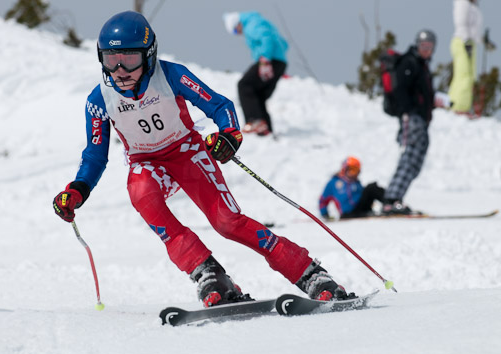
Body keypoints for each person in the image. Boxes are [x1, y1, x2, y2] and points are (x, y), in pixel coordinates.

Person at [53, 11, 355, 308]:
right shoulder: (99, 100)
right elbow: (95, 155)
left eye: (130, 59)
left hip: (186, 153)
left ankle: (308, 272)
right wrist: (77, 189)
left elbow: (220, 106)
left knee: (227, 222)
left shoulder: (172, 75)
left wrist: (229, 136)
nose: (120, 69)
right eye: (110, 59)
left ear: (149, 54)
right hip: (147, 163)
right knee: (140, 191)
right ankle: (207, 273)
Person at [382, 30, 437, 215]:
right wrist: (406, 112)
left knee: (415, 160)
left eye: (430, 47)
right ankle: (391, 200)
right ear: (417, 45)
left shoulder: (421, 65)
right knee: (409, 157)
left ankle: (395, 197)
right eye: (424, 46)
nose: (427, 50)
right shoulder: (410, 63)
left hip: (419, 119)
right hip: (411, 118)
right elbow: (401, 90)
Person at [222, 11, 288, 136]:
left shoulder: (251, 25)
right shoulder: (258, 22)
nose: (238, 34)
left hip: (270, 60)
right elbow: (284, 44)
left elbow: (266, 38)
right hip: (279, 62)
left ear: (238, 24)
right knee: (258, 95)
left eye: (235, 31)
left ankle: (255, 121)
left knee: (244, 85)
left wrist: (265, 60)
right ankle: (265, 130)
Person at [319, 157, 385, 219]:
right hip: (348, 213)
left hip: (361, 209)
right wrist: (325, 214)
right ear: (344, 169)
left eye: (356, 171)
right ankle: (389, 203)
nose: (353, 174)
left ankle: (390, 202)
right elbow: (323, 200)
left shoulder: (356, 183)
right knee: (371, 188)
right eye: (351, 170)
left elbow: (364, 196)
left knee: (373, 187)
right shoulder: (334, 182)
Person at [448, 0, 483, 114]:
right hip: (462, 41)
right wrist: (466, 41)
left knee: (470, 76)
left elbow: (474, 29)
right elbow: (461, 23)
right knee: (463, 75)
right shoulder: (462, 2)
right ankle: (458, 107)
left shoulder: (473, 5)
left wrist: (482, 40)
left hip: (470, 43)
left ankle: (463, 106)